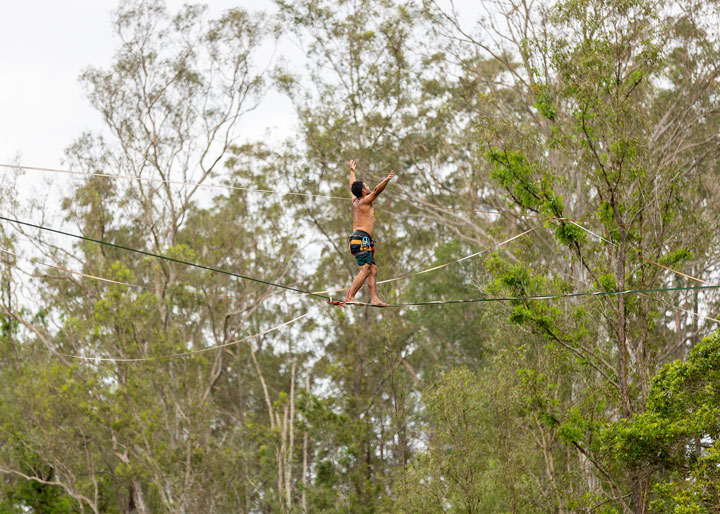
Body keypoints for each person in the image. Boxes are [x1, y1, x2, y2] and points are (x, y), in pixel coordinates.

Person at [344, 159, 394, 307]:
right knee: (366, 270)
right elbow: (378, 190)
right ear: (364, 192)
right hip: (361, 239)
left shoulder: (355, 200)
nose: (368, 187)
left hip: (358, 239)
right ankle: (351, 296)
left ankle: (374, 299)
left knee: (372, 270)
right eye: (366, 186)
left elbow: (352, 186)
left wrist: (352, 172)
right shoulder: (365, 201)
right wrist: (386, 179)